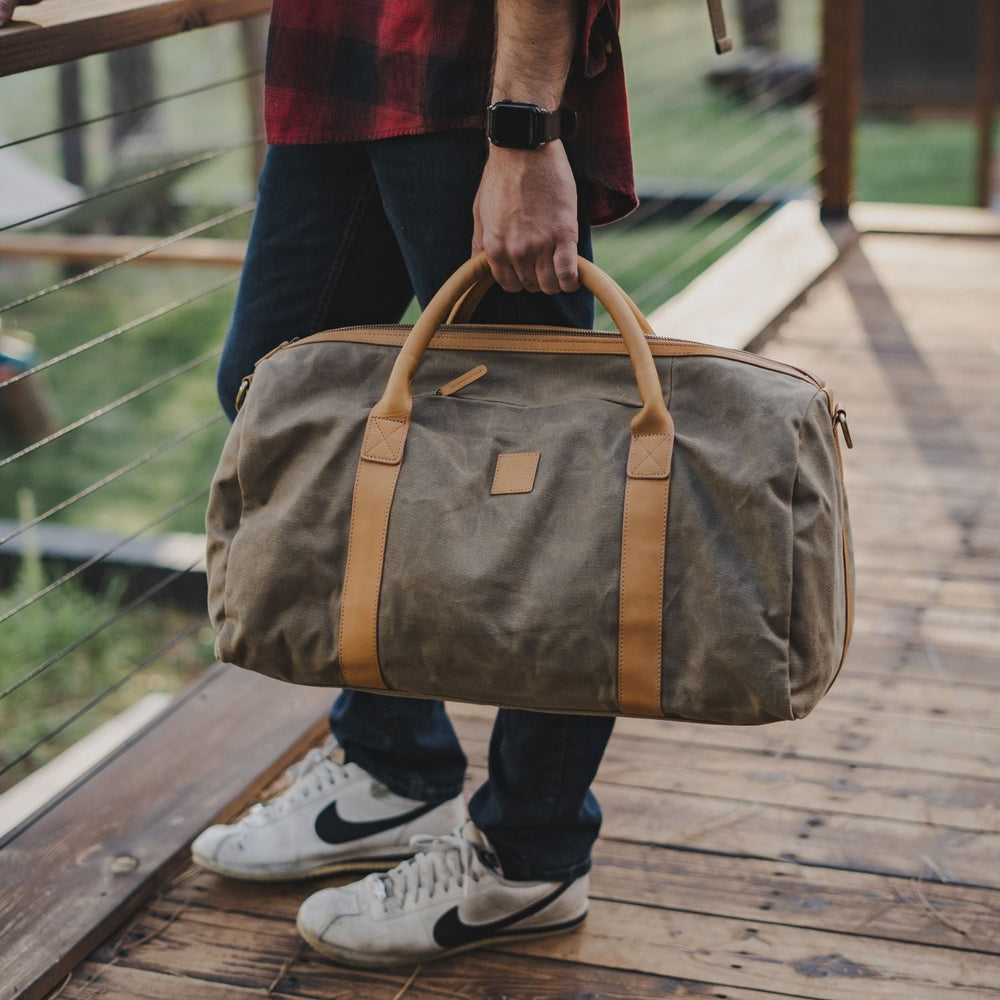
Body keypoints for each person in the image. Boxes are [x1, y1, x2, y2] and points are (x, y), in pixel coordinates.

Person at [0, 0, 706, 971]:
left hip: (470, 78)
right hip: (336, 68)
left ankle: (528, 853)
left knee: (552, 471)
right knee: (278, 394)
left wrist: (525, 129)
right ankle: (393, 762)